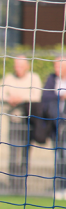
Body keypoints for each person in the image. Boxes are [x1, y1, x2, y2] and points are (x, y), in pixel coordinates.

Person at [0, 55, 43, 191]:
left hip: (29, 122)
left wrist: (21, 98)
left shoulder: (34, 78)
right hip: (14, 121)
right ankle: (13, 184)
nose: (18, 69)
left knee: (25, 153)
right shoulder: (9, 78)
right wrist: (9, 99)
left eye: (21, 66)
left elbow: (37, 95)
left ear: (27, 66)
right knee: (13, 153)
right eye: (16, 66)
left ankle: (22, 185)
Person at [41, 56, 66, 200]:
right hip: (55, 125)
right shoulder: (51, 79)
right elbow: (46, 97)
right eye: (55, 66)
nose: (56, 69)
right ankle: (59, 187)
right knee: (58, 156)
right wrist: (60, 96)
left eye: (59, 66)